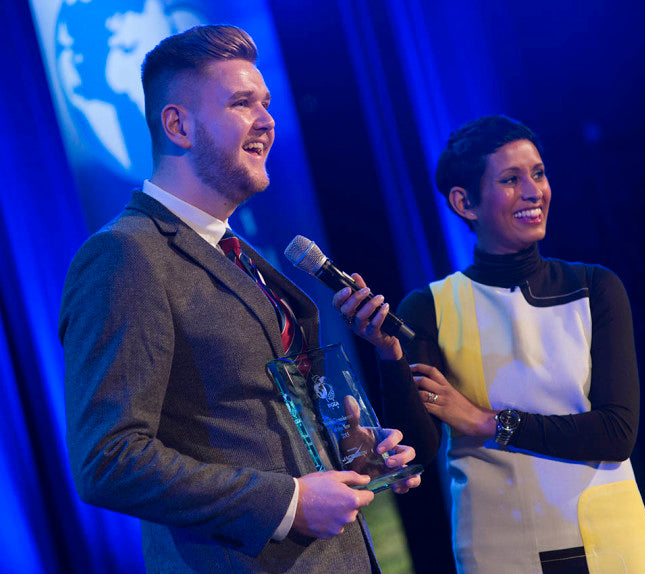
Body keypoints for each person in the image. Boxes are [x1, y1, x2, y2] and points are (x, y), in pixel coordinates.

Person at [58, 25, 419, 573]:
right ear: (177, 125)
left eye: (266, 103)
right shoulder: (124, 256)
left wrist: (354, 450)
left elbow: (259, 417)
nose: (268, 121)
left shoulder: (238, 253)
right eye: (241, 103)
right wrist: (289, 503)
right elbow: (108, 459)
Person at [334, 115, 645, 573]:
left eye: (539, 174)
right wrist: (389, 354)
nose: (533, 191)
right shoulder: (429, 306)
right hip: (498, 547)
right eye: (511, 179)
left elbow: (616, 432)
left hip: (609, 538)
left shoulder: (595, 288)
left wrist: (484, 421)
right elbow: (419, 450)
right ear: (464, 202)